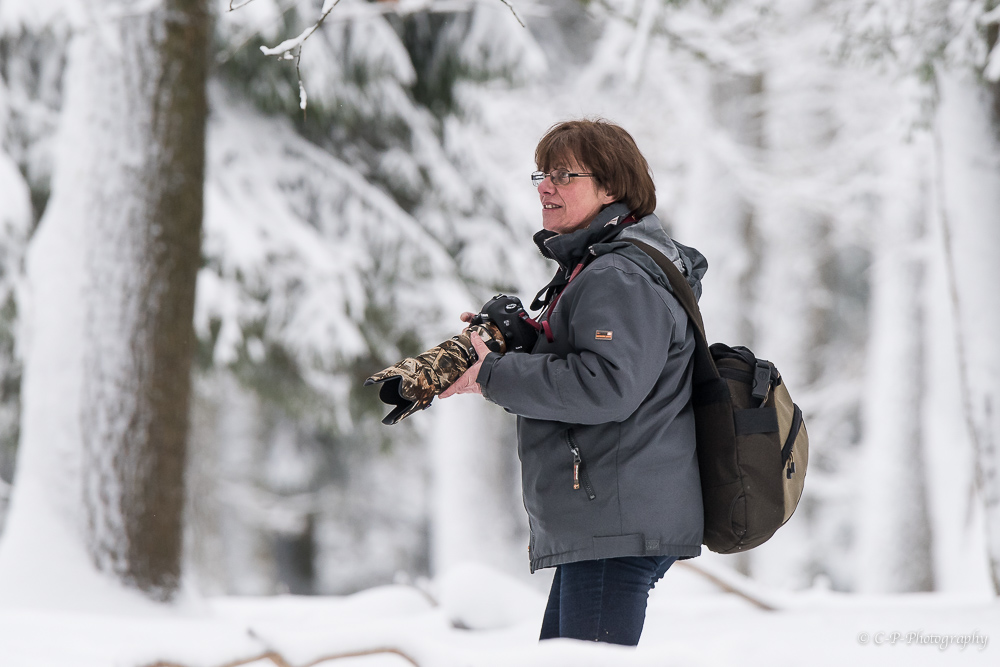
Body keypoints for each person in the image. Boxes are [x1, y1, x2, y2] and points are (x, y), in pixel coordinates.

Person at [440, 119, 707, 646]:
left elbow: (607, 385)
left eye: (565, 175)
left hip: (616, 520)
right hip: (609, 517)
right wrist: (525, 343)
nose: (546, 186)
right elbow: (609, 365)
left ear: (612, 187)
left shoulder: (619, 275)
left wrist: (492, 374)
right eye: (543, 173)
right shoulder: (602, 266)